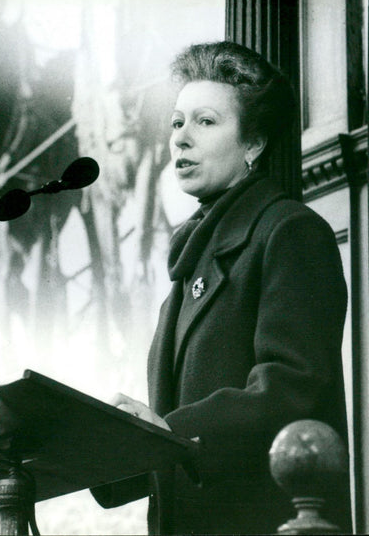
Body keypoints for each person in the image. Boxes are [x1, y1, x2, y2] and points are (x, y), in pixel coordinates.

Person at [91, 41, 349, 534]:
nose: (181, 139)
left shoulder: (289, 232)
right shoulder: (196, 253)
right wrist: (103, 445)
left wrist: (169, 431)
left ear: (254, 145)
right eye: (177, 123)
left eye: (205, 122)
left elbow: (292, 386)